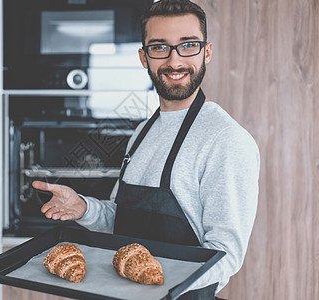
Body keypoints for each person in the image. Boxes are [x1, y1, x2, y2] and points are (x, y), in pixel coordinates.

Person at [33, 0, 260, 298]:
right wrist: (84, 209)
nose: (175, 61)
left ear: (207, 51)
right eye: (160, 47)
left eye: (188, 45)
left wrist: (156, 288)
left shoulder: (226, 139)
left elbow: (225, 255)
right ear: (144, 57)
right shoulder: (143, 132)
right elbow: (125, 221)